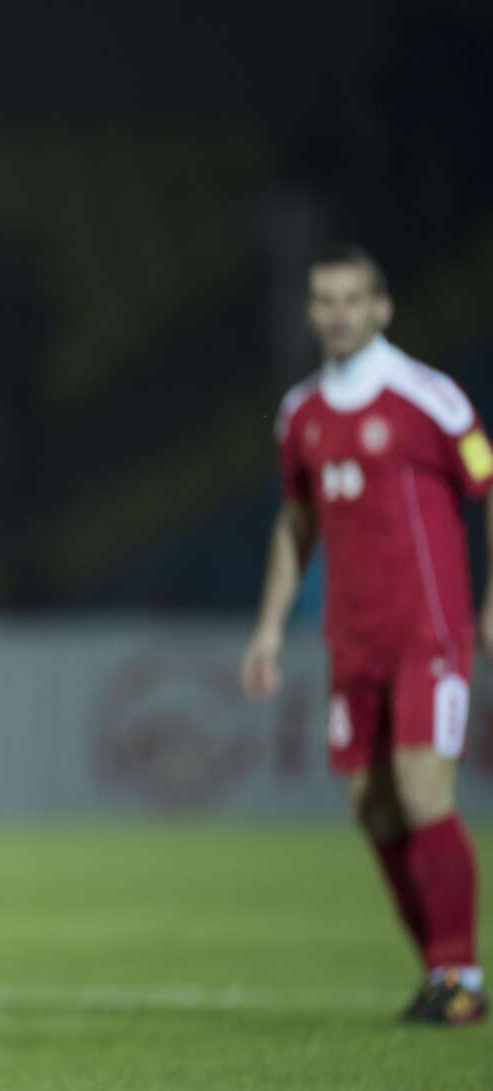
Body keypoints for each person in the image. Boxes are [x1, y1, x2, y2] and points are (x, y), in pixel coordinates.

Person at [242, 243, 487, 1026]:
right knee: (371, 808)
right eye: (323, 299)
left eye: (352, 298)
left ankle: (461, 975)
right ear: (310, 311)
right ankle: (439, 973)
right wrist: (270, 627)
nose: (337, 312)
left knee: (421, 790)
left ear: (382, 307)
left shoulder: (430, 398)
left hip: (429, 632)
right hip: (353, 642)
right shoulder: (300, 414)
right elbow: (296, 520)